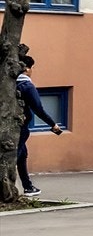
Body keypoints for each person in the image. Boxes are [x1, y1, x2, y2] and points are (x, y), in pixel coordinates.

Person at [16, 53, 63, 196]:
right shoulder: (27, 86)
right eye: (32, 68)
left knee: (22, 154)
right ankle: (24, 187)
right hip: (20, 126)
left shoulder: (8, 83)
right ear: (27, 69)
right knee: (14, 156)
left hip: (9, 125)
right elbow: (38, 109)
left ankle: (28, 186)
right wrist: (53, 124)